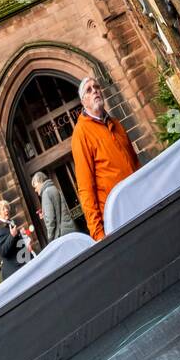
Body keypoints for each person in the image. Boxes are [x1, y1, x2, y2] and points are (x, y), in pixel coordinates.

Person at [71, 77, 139, 241]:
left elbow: (135, 163)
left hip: (138, 202)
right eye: (89, 90)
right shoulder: (81, 135)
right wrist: (98, 233)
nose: (95, 90)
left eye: (96, 87)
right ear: (83, 101)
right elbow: (85, 187)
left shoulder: (116, 123)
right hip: (116, 216)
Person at [31, 171, 77, 242]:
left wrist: (50, 239)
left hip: (61, 235)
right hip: (69, 229)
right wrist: (44, 213)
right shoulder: (54, 188)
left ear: (39, 181)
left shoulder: (46, 193)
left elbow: (50, 220)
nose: (35, 190)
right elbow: (58, 210)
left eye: (35, 186)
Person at [0, 200, 31, 281]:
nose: (6, 210)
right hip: (15, 270)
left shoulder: (9, 224)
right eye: (3, 209)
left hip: (22, 264)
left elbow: (15, 243)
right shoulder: (0, 229)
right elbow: (3, 251)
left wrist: (20, 234)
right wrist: (12, 236)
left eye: (7, 208)